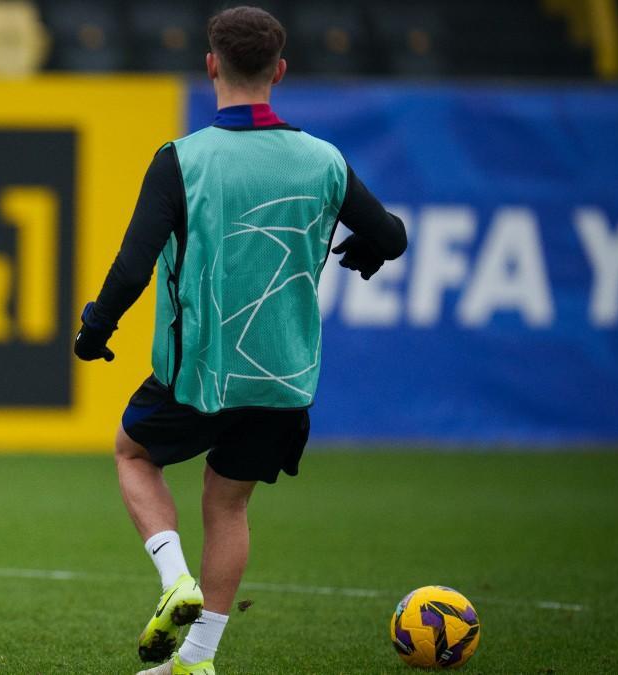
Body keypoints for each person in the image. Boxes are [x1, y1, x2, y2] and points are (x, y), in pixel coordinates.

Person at [74, 7, 408, 675]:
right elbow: (393, 236)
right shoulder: (323, 160)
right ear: (279, 71)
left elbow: (132, 265)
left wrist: (95, 328)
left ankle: (175, 579)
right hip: (282, 375)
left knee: (133, 453)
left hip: (201, 367)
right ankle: (197, 660)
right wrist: (365, 249)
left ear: (210, 65)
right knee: (228, 502)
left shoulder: (183, 159)